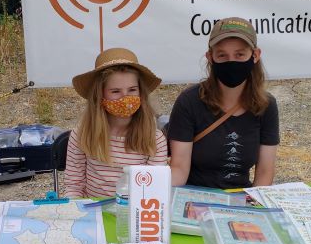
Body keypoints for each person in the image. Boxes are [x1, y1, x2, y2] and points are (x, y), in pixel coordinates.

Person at [167, 17, 279, 189]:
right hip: (193, 197)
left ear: (255, 55)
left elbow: (265, 172)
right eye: (222, 55)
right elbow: (179, 170)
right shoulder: (189, 102)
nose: (231, 61)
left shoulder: (266, 105)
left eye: (240, 54)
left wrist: (255, 209)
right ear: (210, 57)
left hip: (241, 198)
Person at [64, 47, 167, 198]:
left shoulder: (154, 139)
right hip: (93, 214)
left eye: (132, 90)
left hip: (133, 214)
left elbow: (152, 192)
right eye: (115, 91)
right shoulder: (82, 134)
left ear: (141, 93)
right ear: (99, 95)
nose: (125, 98)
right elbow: (74, 187)